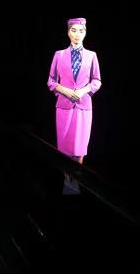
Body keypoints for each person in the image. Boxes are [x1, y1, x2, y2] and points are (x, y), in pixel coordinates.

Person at [47, 18, 102, 193]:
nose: (77, 34)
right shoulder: (59, 55)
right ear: (68, 32)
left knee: (80, 148)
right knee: (64, 148)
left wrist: (84, 90)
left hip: (83, 106)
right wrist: (63, 89)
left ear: (85, 33)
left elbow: (96, 81)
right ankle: (66, 181)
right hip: (64, 106)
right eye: (74, 30)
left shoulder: (92, 55)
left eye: (81, 31)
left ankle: (75, 184)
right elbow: (51, 81)